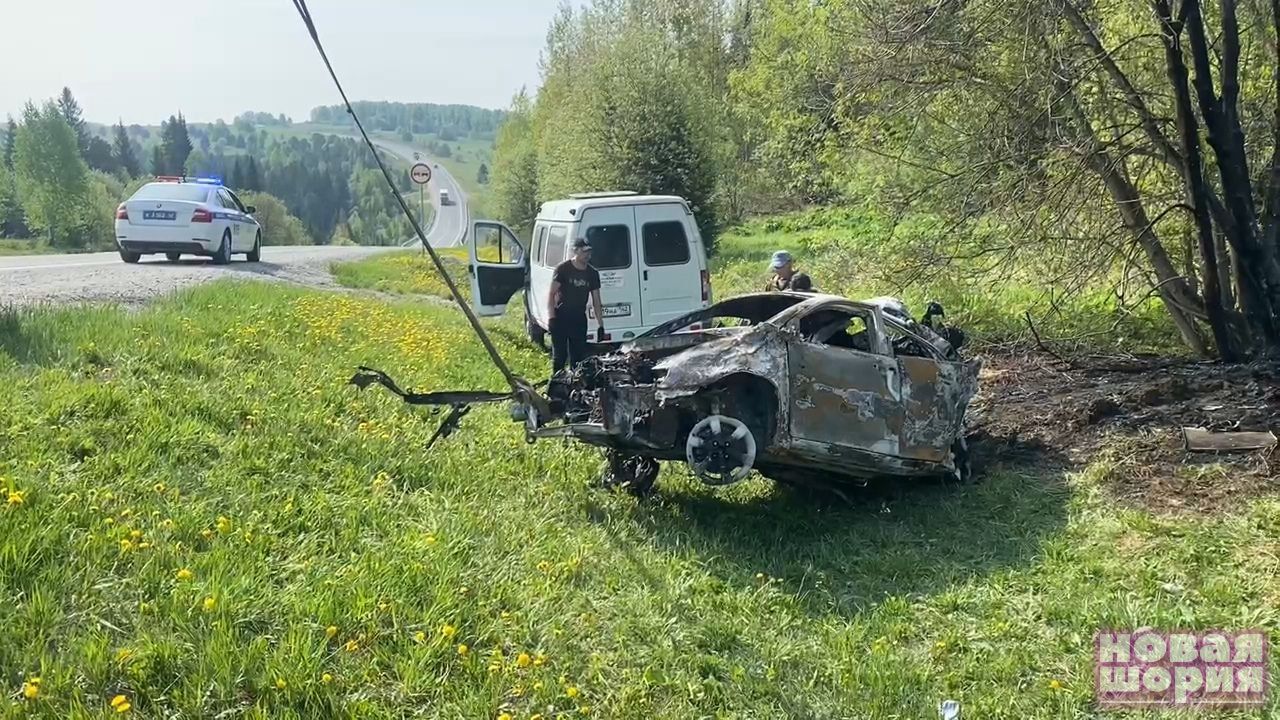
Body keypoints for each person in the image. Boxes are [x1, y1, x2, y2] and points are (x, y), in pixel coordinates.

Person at [548, 237, 606, 373]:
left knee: (578, 358)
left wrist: (601, 325)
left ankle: (576, 388)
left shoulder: (592, 273)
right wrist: (551, 318)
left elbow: (596, 300)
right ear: (576, 251)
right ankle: (556, 389)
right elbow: (551, 294)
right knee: (560, 357)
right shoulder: (563, 269)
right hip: (561, 316)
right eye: (584, 252)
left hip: (579, 318)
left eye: (589, 252)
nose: (587, 255)